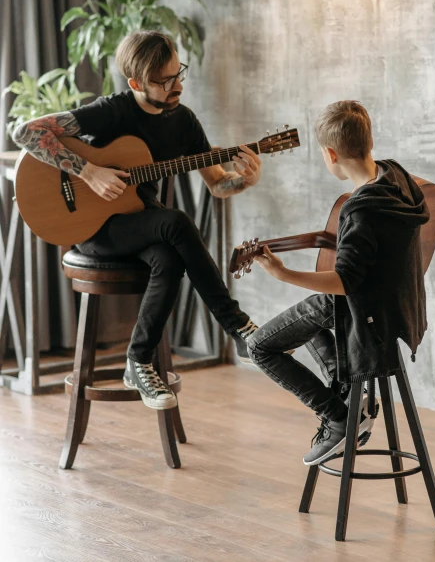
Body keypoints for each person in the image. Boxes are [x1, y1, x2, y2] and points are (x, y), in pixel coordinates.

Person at [13, 30, 262, 411]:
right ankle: (238, 326)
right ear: (136, 83)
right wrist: (90, 172)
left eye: (180, 73)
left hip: (140, 223)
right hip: (95, 230)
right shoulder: (113, 110)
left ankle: (138, 361)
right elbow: (26, 131)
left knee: (168, 256)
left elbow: (217, 186)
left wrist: (244, 179)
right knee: (175, 222)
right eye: (165, 80)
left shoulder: (184, 123)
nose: (177, 85)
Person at [248, 100, 430, 465]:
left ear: (330, 154)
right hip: (399, 309)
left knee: (260, 347)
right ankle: (349, 396)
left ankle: (338, 417)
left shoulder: (359, 209)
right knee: (307, 322)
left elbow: (345, 281)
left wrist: (283, 273)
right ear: (370, 139)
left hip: (365, 314)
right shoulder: (398, 178)